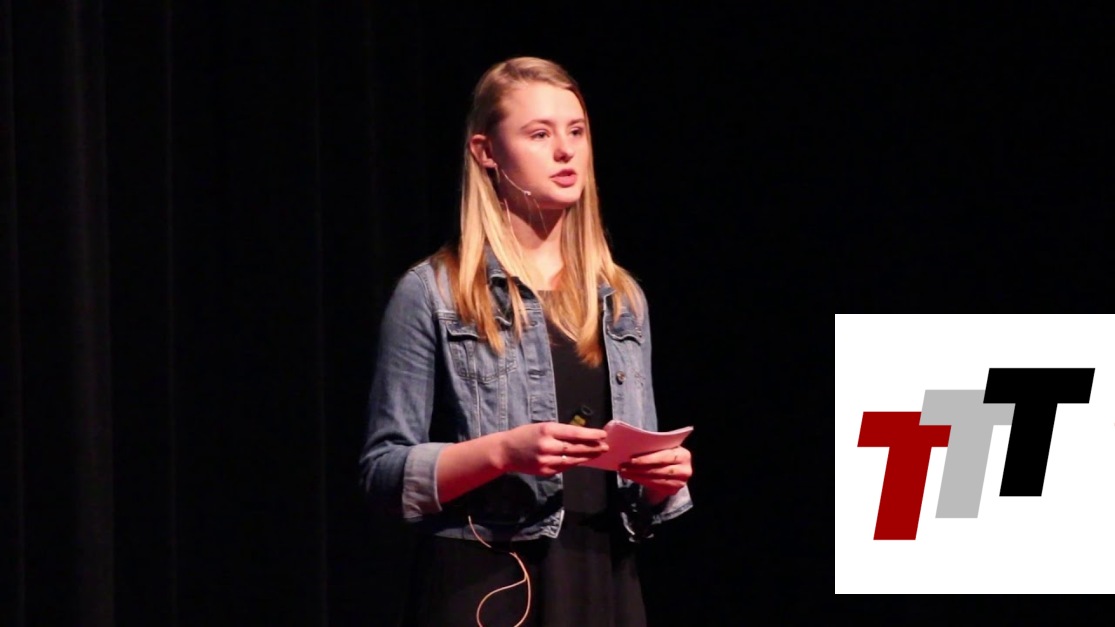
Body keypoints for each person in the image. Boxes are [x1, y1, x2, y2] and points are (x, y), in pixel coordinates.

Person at [360, 56, 693, 627]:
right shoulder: (435, 292)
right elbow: (384, 474)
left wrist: (663, 478)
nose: (565, 151)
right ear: (486, 152)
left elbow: (638, 494)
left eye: (576, 132)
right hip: (489, 583)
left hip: (604, 580)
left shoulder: (620, 298)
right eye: (539, 134)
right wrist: (503, 453)